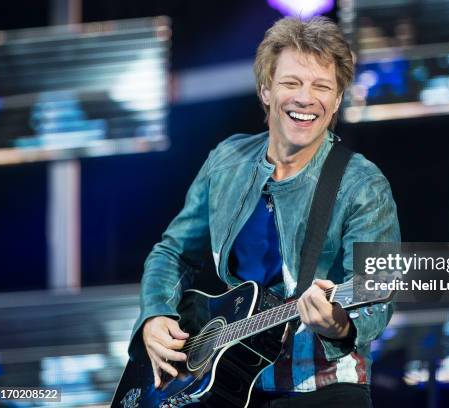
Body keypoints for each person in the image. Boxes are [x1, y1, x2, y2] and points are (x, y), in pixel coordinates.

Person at [129, 16, 400, 407]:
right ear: (266, 90)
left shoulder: (362, 184)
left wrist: (337, 324)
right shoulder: (227, 160)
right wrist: (155, 315)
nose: (306, 98)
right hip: (226, 382)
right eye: (291, 83)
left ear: (337, 99)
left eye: (321, 86)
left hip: (322, 388)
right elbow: (172, 252)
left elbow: (376, 299)